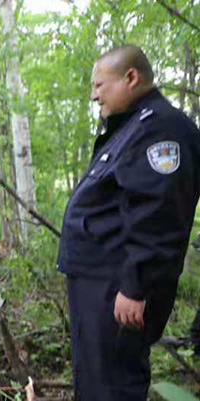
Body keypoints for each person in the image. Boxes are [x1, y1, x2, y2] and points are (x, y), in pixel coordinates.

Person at [57, 45, 200, 400]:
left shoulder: (162, 130)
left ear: (130, 78)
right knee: (94, 376)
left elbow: (161, 213)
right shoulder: (131, 128)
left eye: (99, 85)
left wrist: (136, 286)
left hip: (118, 288)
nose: (93, 95)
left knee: (113, 384)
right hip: (100, 282)